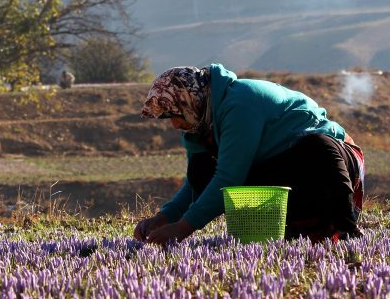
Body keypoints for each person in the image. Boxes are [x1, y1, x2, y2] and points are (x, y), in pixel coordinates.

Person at [134, 64, 364, 246]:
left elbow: (228, 177)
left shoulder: (239, 104)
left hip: (325, 160)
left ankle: (345, 226)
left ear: (189, 102)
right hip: (278, 165)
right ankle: (288, 230)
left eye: (175, 115)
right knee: (201, 168)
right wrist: (164, 218)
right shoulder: (197, 125)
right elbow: (195, 184)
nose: (175, 125)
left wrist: (183, 227)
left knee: (317, 146)